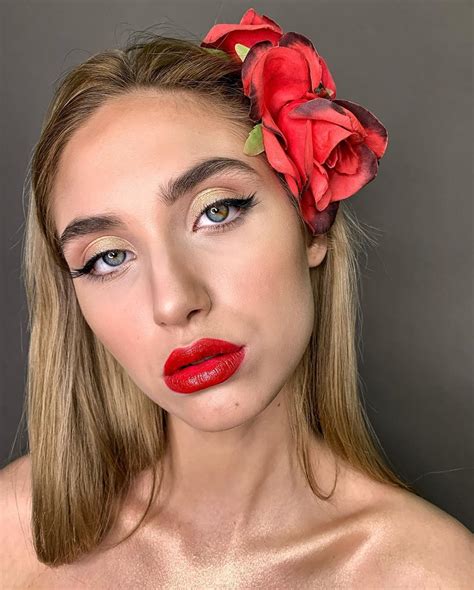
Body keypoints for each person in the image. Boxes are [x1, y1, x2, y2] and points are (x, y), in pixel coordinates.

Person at [1, 8, 472, 588]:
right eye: (108, 256)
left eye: (216, 211)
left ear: (311, 223)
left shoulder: (435, 574)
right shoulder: (11, 533)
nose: (174, 302)